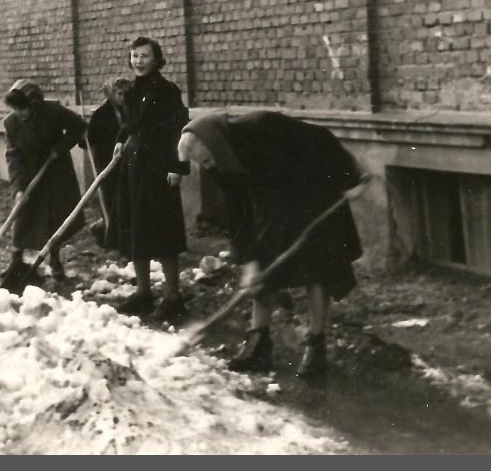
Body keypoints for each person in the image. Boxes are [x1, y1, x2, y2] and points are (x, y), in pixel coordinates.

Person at [177, 110, 370, 378]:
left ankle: (316, 347)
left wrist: (349, 178)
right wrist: (249, 261)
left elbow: (321, 138)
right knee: (262, 271)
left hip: (313, 192)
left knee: (318, 268)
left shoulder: (261, 125)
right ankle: (259, 345)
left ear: (214, 143)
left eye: (207, 159)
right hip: (272, 204)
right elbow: (238, 212)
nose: (208, 167)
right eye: (202, 164)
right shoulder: (220, 163)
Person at [107, 37, 190, 321]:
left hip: (158, 167)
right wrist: (121, 140)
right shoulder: (131, 90)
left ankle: (172, 295)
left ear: (156, 59)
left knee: (163, 229)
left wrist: (178, 166)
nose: (139, 61)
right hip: (134, 166)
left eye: (144, 56)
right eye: (134, 56)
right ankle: (143, 292)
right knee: (135, 226)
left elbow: (180, 129)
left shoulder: (167, 91)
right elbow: (130, 123)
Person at [0, 79, 87, 291]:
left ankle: (54, 259)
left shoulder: (53, 111)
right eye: (15, 108)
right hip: (28, 173)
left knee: (55, 217)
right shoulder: (10, 123)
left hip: (56, 172)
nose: (19, 113)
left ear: (35, 104)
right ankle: (16, 260)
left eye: (23, 108)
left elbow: (79, 126)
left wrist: (61, 146)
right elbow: (13, 155)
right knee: (22, 213)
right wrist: (19, 187)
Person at [85, 77, 131, 244]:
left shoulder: (131, 110)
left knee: (125, 199)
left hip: (126, 161)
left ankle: (118, 234)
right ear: (111, 94)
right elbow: (87, 140)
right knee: (110, 199)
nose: (123, 97)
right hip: (107, 162)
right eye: (119, 94)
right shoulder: (101, 114)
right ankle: (107, 233)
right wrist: (86, 134)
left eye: (126, 94)